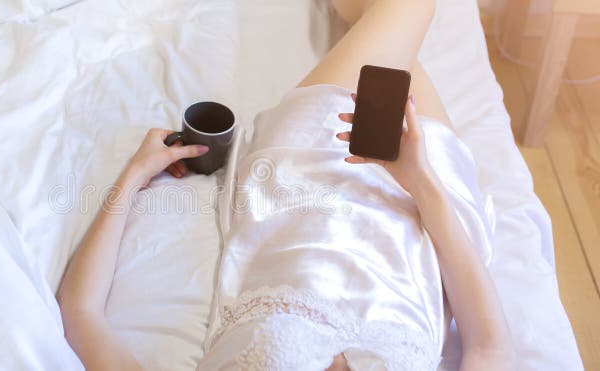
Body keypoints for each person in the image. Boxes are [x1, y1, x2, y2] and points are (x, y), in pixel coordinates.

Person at [56, 0, 513, 369]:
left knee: (402, 16)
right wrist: (421, 181)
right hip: (422, 208)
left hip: (304, 170)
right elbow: (489, 349)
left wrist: (135, 173)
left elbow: (81, 313)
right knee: (406, 22)